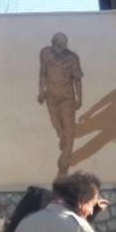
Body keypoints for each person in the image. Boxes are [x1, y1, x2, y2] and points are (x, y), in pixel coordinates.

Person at [37, 32, 83, 176]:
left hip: (67, 98)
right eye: (59, 43)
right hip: (51, 97)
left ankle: (64, 162)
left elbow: (77, 79)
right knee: (56, 124)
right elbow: (43, 73)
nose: (62, 45)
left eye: (64, 43)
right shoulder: (45, 53)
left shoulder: (72, 57)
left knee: (70, 129)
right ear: (53, 42)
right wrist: (41, 91)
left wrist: (79, 98)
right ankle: (61, 135)